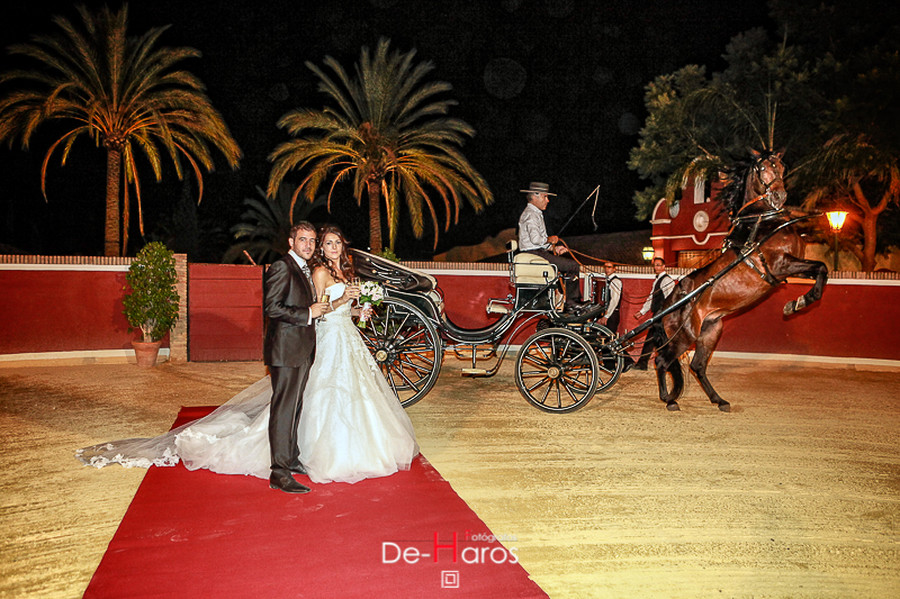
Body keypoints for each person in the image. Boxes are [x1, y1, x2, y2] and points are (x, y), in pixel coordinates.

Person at [76, 225, 419, 488]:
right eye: (315, 241)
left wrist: (361, 309)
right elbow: (308, 309)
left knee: (310, 402)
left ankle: (293, 458)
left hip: (338, 339)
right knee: (300, 402)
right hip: (313, 342)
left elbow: (327, 308)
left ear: (341, 246)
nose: (323, 247)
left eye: (329, 242)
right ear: (293, 242)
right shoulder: (304, 270)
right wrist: (340, 303)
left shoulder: (339, 272)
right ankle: (282, 467)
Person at [263, 221, 330, 494]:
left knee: (295, 407)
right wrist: (308, 313)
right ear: (291, 242)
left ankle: (290, 458)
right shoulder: (282, 266)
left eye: (312, 241)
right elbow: (272, 307)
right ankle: (278, 473)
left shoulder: (302, 268)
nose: (308, 245)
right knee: (283, 409)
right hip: (285, 350)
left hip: (301, 349)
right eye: (303, 240)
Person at [517, 181, 590, 311]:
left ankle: (565, 300)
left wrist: (553, 248)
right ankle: (572, 303)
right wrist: (550, 239)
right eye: (545, 196)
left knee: (567, 266)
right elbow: (535, 239)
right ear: (535, 196)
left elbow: (537, 242)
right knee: (572, 266)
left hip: (537, 252)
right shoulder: (531, 215)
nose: (548, 200)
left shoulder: (534, 213)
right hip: (534, 253)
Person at [633, 257, 676, 370]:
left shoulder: (667, 280)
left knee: (653, 338)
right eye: (655, 265)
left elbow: (670, 298)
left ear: (663, 266)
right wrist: (642, 311)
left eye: (658, 265)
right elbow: (651, 297)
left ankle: (643, 363)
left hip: (662, 314)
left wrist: (667, 314)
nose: (656, 267)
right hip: (658, 313)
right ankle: (644, 363)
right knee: (655, 338)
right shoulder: (658, 280)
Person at [598, 262, 622, 334]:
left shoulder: (615, 281)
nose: (606, 269)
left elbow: (614, 300)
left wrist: (606, 316)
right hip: (609, 313)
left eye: (609, 267)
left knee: (609, 335)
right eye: (605, 267)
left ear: (614, 269)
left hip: (612, 314)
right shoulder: (608, 280)